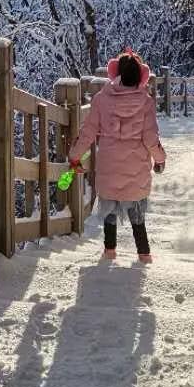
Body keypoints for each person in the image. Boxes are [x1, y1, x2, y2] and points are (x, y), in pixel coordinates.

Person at [69, 48, 167, 263]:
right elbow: (151, 138)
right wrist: (160, 159)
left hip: (108, 167)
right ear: (141, 76)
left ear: (116, 74)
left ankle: (109, 251)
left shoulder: (101, 99)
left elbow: (87, 132)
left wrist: (75, 156)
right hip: (137, 168)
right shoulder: (146, 102)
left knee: (110, 210)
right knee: (137, 213)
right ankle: (144, 254)